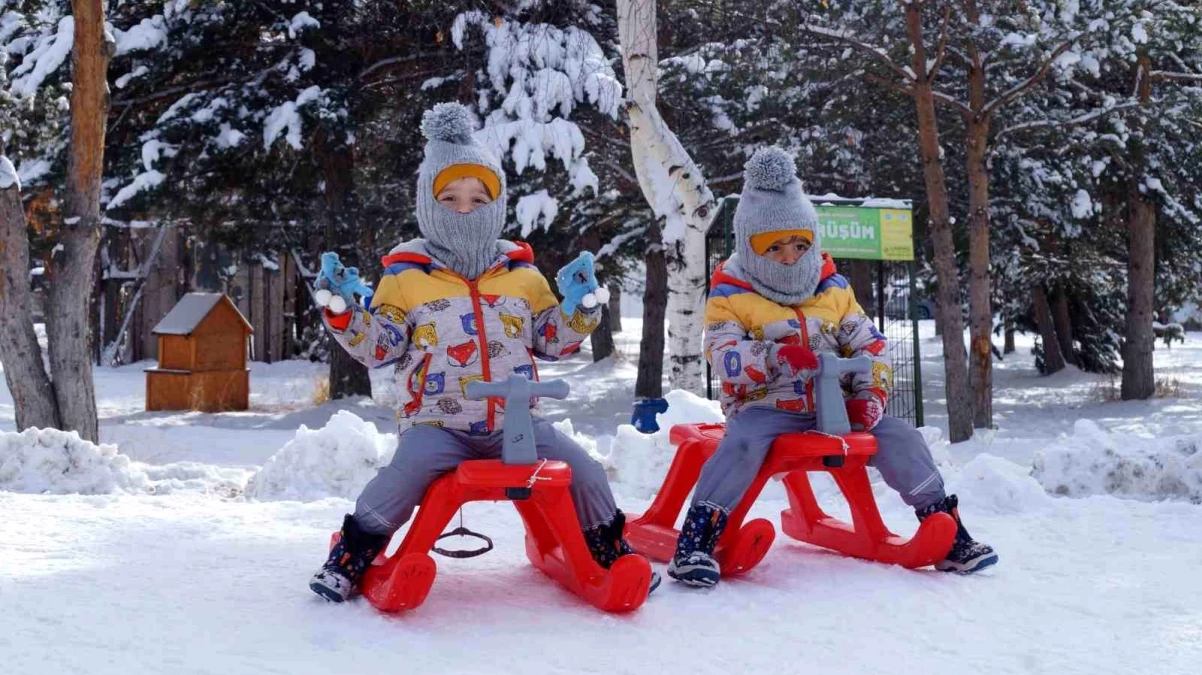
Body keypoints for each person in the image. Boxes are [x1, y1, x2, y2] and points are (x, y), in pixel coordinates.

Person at [308, 102, 656, 602]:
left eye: (478, 197)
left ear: (497, 203)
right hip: (437, 423)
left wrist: (579, 311)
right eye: (449, 197)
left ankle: (607, 550)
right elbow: (380, 348)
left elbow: (552, 341)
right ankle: (352, 554)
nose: (465, 208)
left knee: (584, 470)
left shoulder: (523, 276)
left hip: (515, 425)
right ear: (428, 205)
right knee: (403, 477)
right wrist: (346, 314)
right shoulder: (406, 277)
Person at [668, 147, 998, 587]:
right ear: (750, 246)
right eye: (774, 246)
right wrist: (774, 356)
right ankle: (696, 541)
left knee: (900, 436)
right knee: (741, 446)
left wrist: (869, 397)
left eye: (799, 244)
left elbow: (872, 345)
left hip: (836, 408)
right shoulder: (730, 291)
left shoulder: (833, 290)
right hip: (765, 408)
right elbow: (723, 355)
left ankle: (949, 530)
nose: (789, 256)